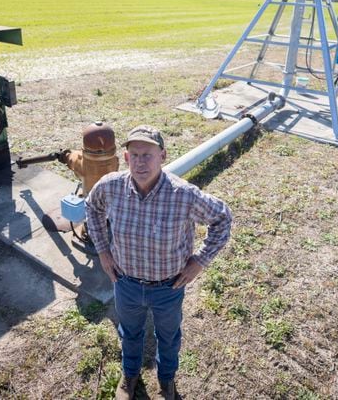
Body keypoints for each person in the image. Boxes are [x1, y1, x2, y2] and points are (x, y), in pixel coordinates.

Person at [86, 125, 232, 400]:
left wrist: (200, 261)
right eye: (135, 155)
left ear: (162, 156)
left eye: (148, 155)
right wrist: (103, 250)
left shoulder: (184, 195)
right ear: (126, 158)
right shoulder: (111, 186)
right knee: (130, 333)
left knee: (168, 337)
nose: (141, 162)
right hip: (125, 282)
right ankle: (129, 376)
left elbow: (222, 218)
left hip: (168, 288)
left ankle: (167, 381)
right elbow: (92, 208)